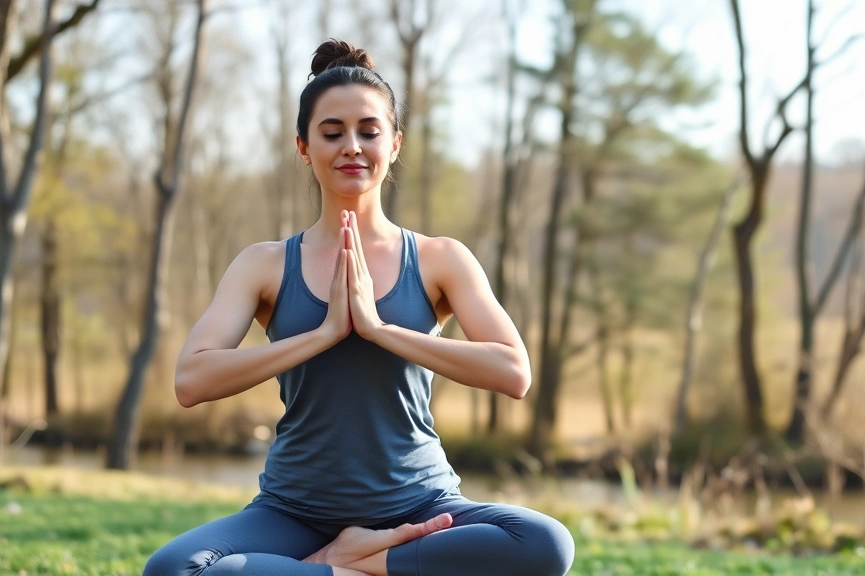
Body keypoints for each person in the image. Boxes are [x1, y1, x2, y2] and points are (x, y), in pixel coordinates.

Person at [143, 40, 575, 576]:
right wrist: (322, 334)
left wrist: (377, 327)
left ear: (394, 144)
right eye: (332, 133)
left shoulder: (441, 259)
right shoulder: (264, 265)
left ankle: (362, 562)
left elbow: (514, 372)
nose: (352, 146)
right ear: (304, 146)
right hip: (293, 511)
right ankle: (351, 566)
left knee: (544, 544)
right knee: (176, 569)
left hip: (419, 504)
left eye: (369, 131)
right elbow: (191, 380)